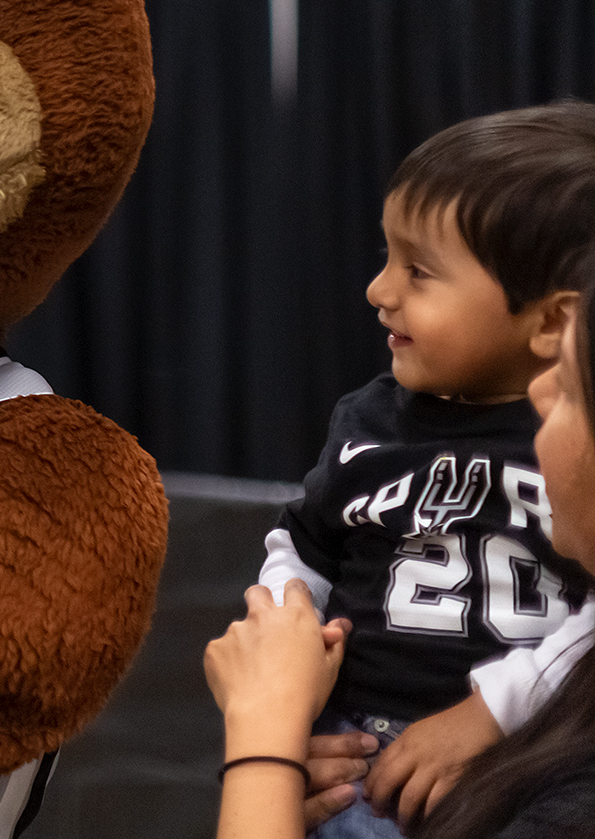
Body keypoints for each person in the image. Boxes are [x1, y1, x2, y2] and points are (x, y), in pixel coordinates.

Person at [251, 105, 595, 835]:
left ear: (550, 322)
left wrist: (492, 712)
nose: (379, 291)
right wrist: (285, 660)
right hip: (348, 747)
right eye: (387, 258)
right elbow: (302, 546)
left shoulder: (576, 449)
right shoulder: (368, 421)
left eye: (419, 271)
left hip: (520, 756)